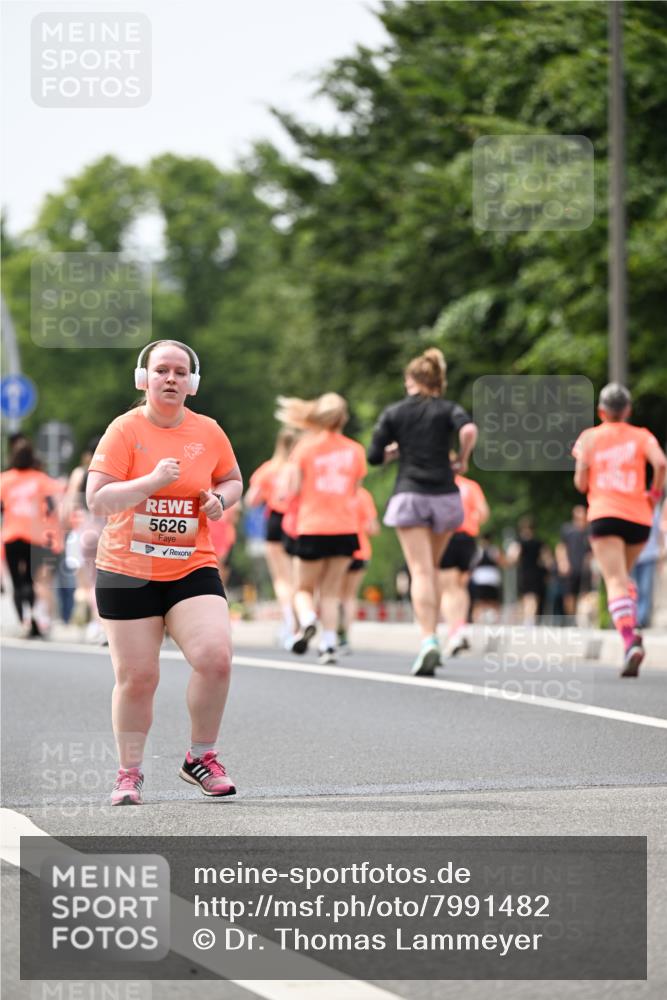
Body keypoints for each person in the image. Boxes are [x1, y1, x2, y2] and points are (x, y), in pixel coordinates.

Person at [86, 339, 243, 805]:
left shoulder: (208, 431)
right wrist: (152, 481)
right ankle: (129, 773)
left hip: (191, 564)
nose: (171, 378)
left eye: (180, 372)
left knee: (216, 658)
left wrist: (220, 500)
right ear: (144, 379)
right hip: (126, 569)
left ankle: (201, 756)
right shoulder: (124, 430)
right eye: (161, 371)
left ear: (192, 383)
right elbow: (97, 500)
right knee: (138, 678)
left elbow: (233, 478)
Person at [367, 347, 478, 676]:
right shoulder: (448, 408)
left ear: (411, 381)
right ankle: (439, 632)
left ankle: (428, 638)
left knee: (420, 571)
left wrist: (392, 452)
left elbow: (373, 455)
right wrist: (463, 459)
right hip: (445, 497)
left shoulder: (395, 413)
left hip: (411, 495)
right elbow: (469, 430)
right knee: (433, 568)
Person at [573, 382, 666, 677]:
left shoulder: (589, 438)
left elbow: (580, 484)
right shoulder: (642, 436)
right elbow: (661, 464)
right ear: (627, 410)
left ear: (601, 411)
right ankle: (633, 626)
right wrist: (654, 494)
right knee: (624, 578)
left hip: (605, 514)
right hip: (639, 517)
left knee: (614, 580)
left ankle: (629, 641)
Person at [276, 393, 367, 665]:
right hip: (345, 528)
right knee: (331, 592)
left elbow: (291, 489)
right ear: (343, 418)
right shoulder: (355, 450)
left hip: (312, 526)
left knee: (303, 588)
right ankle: (328, 645)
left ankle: (307, 619)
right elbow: (356, 491)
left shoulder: (305, 448)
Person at [1, 439, 63, 637]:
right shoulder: (40, 479)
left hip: (11, 535)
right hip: (33, 536)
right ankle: (34, 618)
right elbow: (53, 506)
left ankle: (23, 620)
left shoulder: (5, 479)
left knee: (16, 582)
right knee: (29, 579)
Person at [245, 428, 300, 647]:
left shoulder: (268, 469)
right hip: (298, 521)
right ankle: (300, 617)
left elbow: (251, 500)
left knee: (281, 577)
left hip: (276, 520)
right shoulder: (300, 468)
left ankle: (289, 621)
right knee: (298, 576)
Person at [439, 470, 489, 657]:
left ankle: (454, 632)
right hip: (468, 538)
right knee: (461, 586)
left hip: (446, 536)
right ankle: (461, 627)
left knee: (448, 588)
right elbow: (483, 513)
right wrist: (471, 520)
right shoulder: (470, 486)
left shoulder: (439, 483)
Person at [337, 486, 380, 654]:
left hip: (339, 548)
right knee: (349, 596)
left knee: (332, 594)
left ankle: (333, 632)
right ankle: (345, 637)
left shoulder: (337, 490)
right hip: (361, 550)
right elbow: (373, 527)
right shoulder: (363, 496)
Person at [506, 517, 550, 624]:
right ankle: (530, 619)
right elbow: (547, 560)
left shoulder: (518, 542)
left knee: (527, 596)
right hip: (537, 572)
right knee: (533, 597)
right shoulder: (539, 542)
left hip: (524, 572)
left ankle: (528, 620)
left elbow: (512, 558)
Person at [556, 505, 593, 622]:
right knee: (569, 595)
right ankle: (570, 619)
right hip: (570, 566)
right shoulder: (567, 529)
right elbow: (561, 547)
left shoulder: (589, 530)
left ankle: (580, 619)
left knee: (584, 593)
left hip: (585, 567)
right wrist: (562, 562)